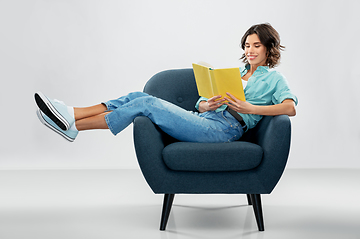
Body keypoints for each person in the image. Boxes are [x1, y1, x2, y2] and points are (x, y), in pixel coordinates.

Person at [34, 23, 298, 143]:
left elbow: (289, 108)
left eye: (256, 45)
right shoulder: (238, 72)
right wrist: (206, 104)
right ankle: (72, 114)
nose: (250, 50)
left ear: (268, 48)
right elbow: (202, 102)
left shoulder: (274, 78)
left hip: (225, 131)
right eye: (247, 45)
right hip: (205, 118)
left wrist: (250, 109)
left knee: (147, 103)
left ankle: (73, 125)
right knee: (138, 94)